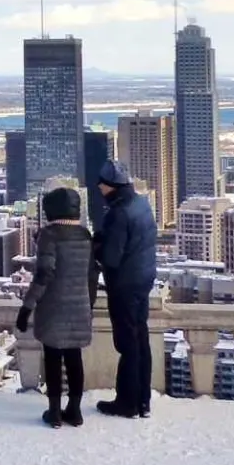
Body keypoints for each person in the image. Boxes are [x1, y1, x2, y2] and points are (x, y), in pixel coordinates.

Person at [17, 187, 96, 428]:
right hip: (80, 306)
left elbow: (44, 275)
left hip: (53, 307)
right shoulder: (85, 235)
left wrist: (27, 307)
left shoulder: (49, 236)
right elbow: (92, 274)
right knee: (74, 358)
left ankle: (54, 412)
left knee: (53, 358)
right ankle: (75, 410)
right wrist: (88, 303)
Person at [92, 161, 158, 418]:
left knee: (128, 343)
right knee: (141, 339)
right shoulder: (142, 204)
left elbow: (111, 258)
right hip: (143, 279)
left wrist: (96, 246)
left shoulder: (118, 213)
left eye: (102, 184)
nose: (100, 188)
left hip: (124, 284)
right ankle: (143, 400)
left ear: (111, 186)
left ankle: (127, 403)